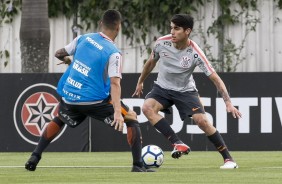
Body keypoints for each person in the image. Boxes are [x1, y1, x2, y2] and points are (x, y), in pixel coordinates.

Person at [25, 9, 154, 172]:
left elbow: (59, 53)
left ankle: (35, 156)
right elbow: (115, 84)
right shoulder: (114, 53)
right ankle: (137, 166)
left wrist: (67, 60)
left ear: (101, 24)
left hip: (70, 97)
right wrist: (116, 112)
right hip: (95, 101)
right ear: (118, 27)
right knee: (131, 117)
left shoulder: (83, 38)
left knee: (59, 119)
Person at [132, 14, 242, 169]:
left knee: (202, 121)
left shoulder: (195, 52)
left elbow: (215, 78)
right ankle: (177, 143)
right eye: (171, 28)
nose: (172, 32)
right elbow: (151, 61)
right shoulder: (161, 43)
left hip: (185, 91)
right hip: (162, 88)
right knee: (147, 108)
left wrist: (228, 103)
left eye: (176, 29)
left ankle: (229, 159)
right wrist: (140, 81)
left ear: (187, 31)